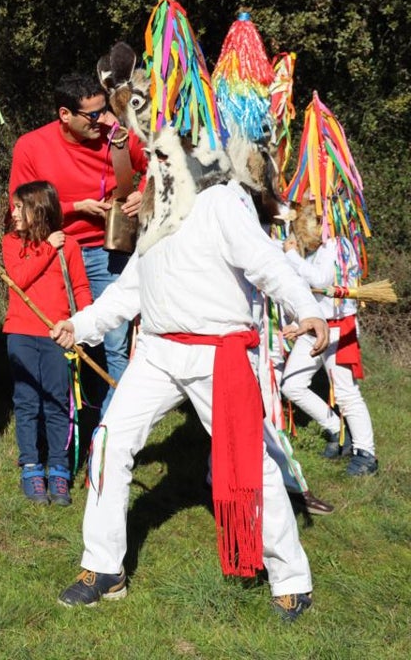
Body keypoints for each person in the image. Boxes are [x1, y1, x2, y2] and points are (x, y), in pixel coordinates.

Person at [51, 177, 328, 621]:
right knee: (108, 443)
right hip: (158, 353)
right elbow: (131, 289)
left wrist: (306, 307)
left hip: (219, 355)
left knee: (250, 463)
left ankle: (291, 580)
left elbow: (266, 263)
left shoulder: (221, 202)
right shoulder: (154, 213)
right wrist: (80, 326)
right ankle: (104, 568)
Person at [9, 74, 146, 405]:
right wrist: (74, 208)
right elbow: (18, 202)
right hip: (55, 251)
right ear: (64, 114)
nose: (103, 120)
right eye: (93, 114)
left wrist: (145, 193)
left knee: (114, 342)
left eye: (105, 111)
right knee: (61, 336)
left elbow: (162, 163)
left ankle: (112, 431)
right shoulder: (31, 146)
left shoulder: (118, 138)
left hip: (107, 251)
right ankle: (65, 422)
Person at [4, 181, 90, 506]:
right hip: (22, 334)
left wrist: (80, 323)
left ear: (37, 209)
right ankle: (30, 467)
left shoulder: (70, 246)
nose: (13, 213)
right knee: (27, 402)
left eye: (19, 207)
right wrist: (46, 248)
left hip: (58, 335)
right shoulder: (12, 243)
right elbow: (19, 279)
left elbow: (80, 287)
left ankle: (58, 469)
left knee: (57, 401)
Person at [280, 203, 377, 476]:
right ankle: (337, 429)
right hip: (313, 327)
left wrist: (291, 257)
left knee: (346, 393)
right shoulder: (316, 248)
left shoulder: (338, 244)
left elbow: (322, 280)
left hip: (338, 329)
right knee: (292, 385)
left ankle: (366, 453)